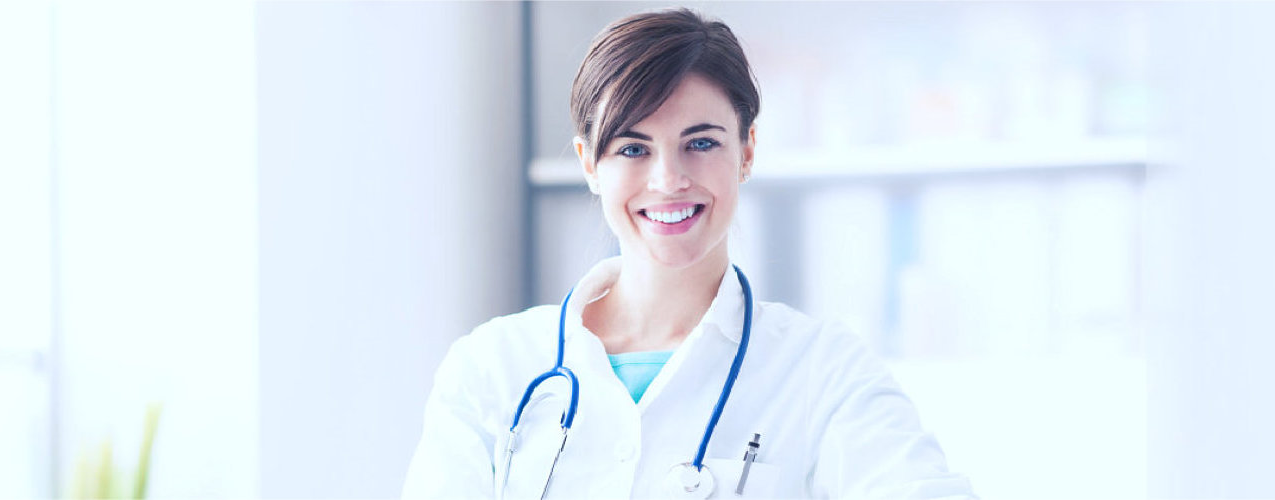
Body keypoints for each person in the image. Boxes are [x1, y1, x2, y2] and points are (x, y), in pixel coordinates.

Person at [403, 8, 972, 499]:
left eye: (701, 143)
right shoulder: (492, 369)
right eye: (632, 148)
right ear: (588, 164)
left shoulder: (821, 372)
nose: (669, 179)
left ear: (747, 150)